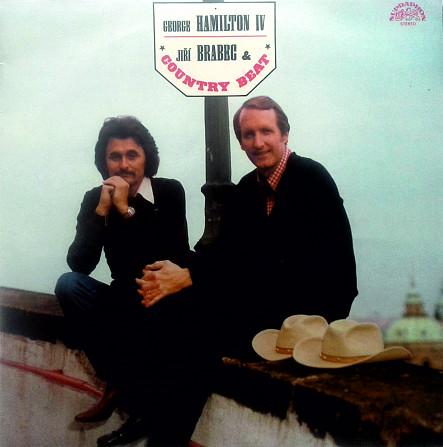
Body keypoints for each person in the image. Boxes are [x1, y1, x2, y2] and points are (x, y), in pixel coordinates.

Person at [136, 96, 358, 358]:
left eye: (266, 131)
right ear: (240, 143)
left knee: (196, 326)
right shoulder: (247, 189)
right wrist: (174, 273)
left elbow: (296, 268)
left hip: (309, 317)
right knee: (169, 309)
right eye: (248, 135)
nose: (258, 143)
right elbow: (223, 254)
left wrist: (191, 276)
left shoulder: (311, 179)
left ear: (285, 134)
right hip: (264, 307)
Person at [55, 116, 214, 447]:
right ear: (104, 162)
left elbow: (170, 255)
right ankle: (118, 380)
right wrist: (102, 212)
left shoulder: (168, 191)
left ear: (146, 158)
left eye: (132, 155)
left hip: (163, 297)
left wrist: (126, 209)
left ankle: (132, 395)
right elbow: (80, 264)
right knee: (68, 285)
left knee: (171, 319)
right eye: (115, 156)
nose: (124, 164)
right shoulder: (94, 198)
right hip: (123, 299)